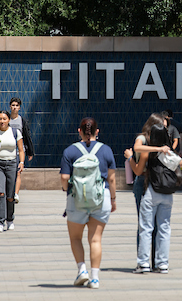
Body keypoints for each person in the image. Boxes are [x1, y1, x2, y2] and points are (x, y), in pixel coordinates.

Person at [131, 123, 182, 273]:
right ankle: (162, 264)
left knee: (146, 229)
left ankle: (143, 263)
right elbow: (179, 163)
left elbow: (137, 149)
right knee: (164, 229)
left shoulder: (150, 151)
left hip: (151, 193)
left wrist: (133, 157)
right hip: (167, 195)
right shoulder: (168, 152)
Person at [60, 117, 116, 289]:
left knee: (76, 238)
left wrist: (66, 189)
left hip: (76, 199)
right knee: (96, 239)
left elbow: (64, 178)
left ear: (79, 131)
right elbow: (112, 179)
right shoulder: (106, 150)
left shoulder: (70, 151)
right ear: (97, 132)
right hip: (101, 199)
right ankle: (95, 278)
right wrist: (113, 199)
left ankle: (82, 270)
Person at [124, 113, 170, 269]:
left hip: (156, 182)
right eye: (162, 126)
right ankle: (146, 261)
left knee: (155, 225)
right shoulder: (143, 138)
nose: (164, 129)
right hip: (144, 182)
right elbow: (137, 147)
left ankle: (155, 261)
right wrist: (158, 149)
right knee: (146, 224)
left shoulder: (160, 139)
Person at [0, 110, 25, 232]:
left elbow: (21, 149)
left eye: (4, 119)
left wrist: (21, 162)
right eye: (0, 119)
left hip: (12, 164)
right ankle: (0, 222)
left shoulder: (15, 132)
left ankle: (10, 219)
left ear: (9, 120)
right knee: (0, 193)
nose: (2, 121)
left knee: (10, 195)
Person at [9, 97, 35, 204]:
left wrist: (30, 151)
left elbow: (27, 136)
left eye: (17, 105)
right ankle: (9, 192)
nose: (15, 107)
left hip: (19, 150)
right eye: (13, 105)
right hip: (8, 150)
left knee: (18, 172)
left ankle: (15, 194)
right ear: (10, 106)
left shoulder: (22, 121)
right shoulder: (6, 119)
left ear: (19, 107)